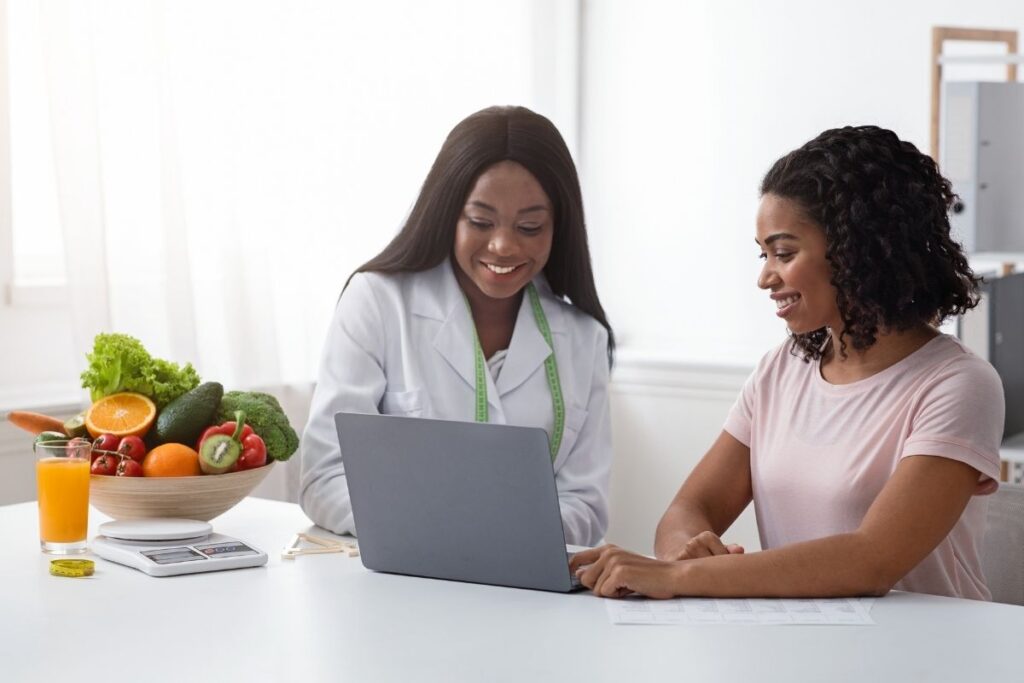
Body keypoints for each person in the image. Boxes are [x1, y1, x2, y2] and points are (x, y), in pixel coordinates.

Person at [571, 125, 1005, 600]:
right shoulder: (781, 370)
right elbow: (689, 507)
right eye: (763, 255)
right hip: (802, 645)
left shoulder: (958, 384)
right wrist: (683, 552)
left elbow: (871, 560)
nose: (765, 278)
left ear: (857, 249)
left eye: (783, 253)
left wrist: (677, 578)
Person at [299, 106, 615, 546]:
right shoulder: (375, 301)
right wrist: (434, 532)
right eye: (480, 222)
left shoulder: (585, 339)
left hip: (525, 586)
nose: (503, 245)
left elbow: (585, 501)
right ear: (448, 213)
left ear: (557, 227)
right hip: (404, 579)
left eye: (530, 226)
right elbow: (327, 475)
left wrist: (509, 538)